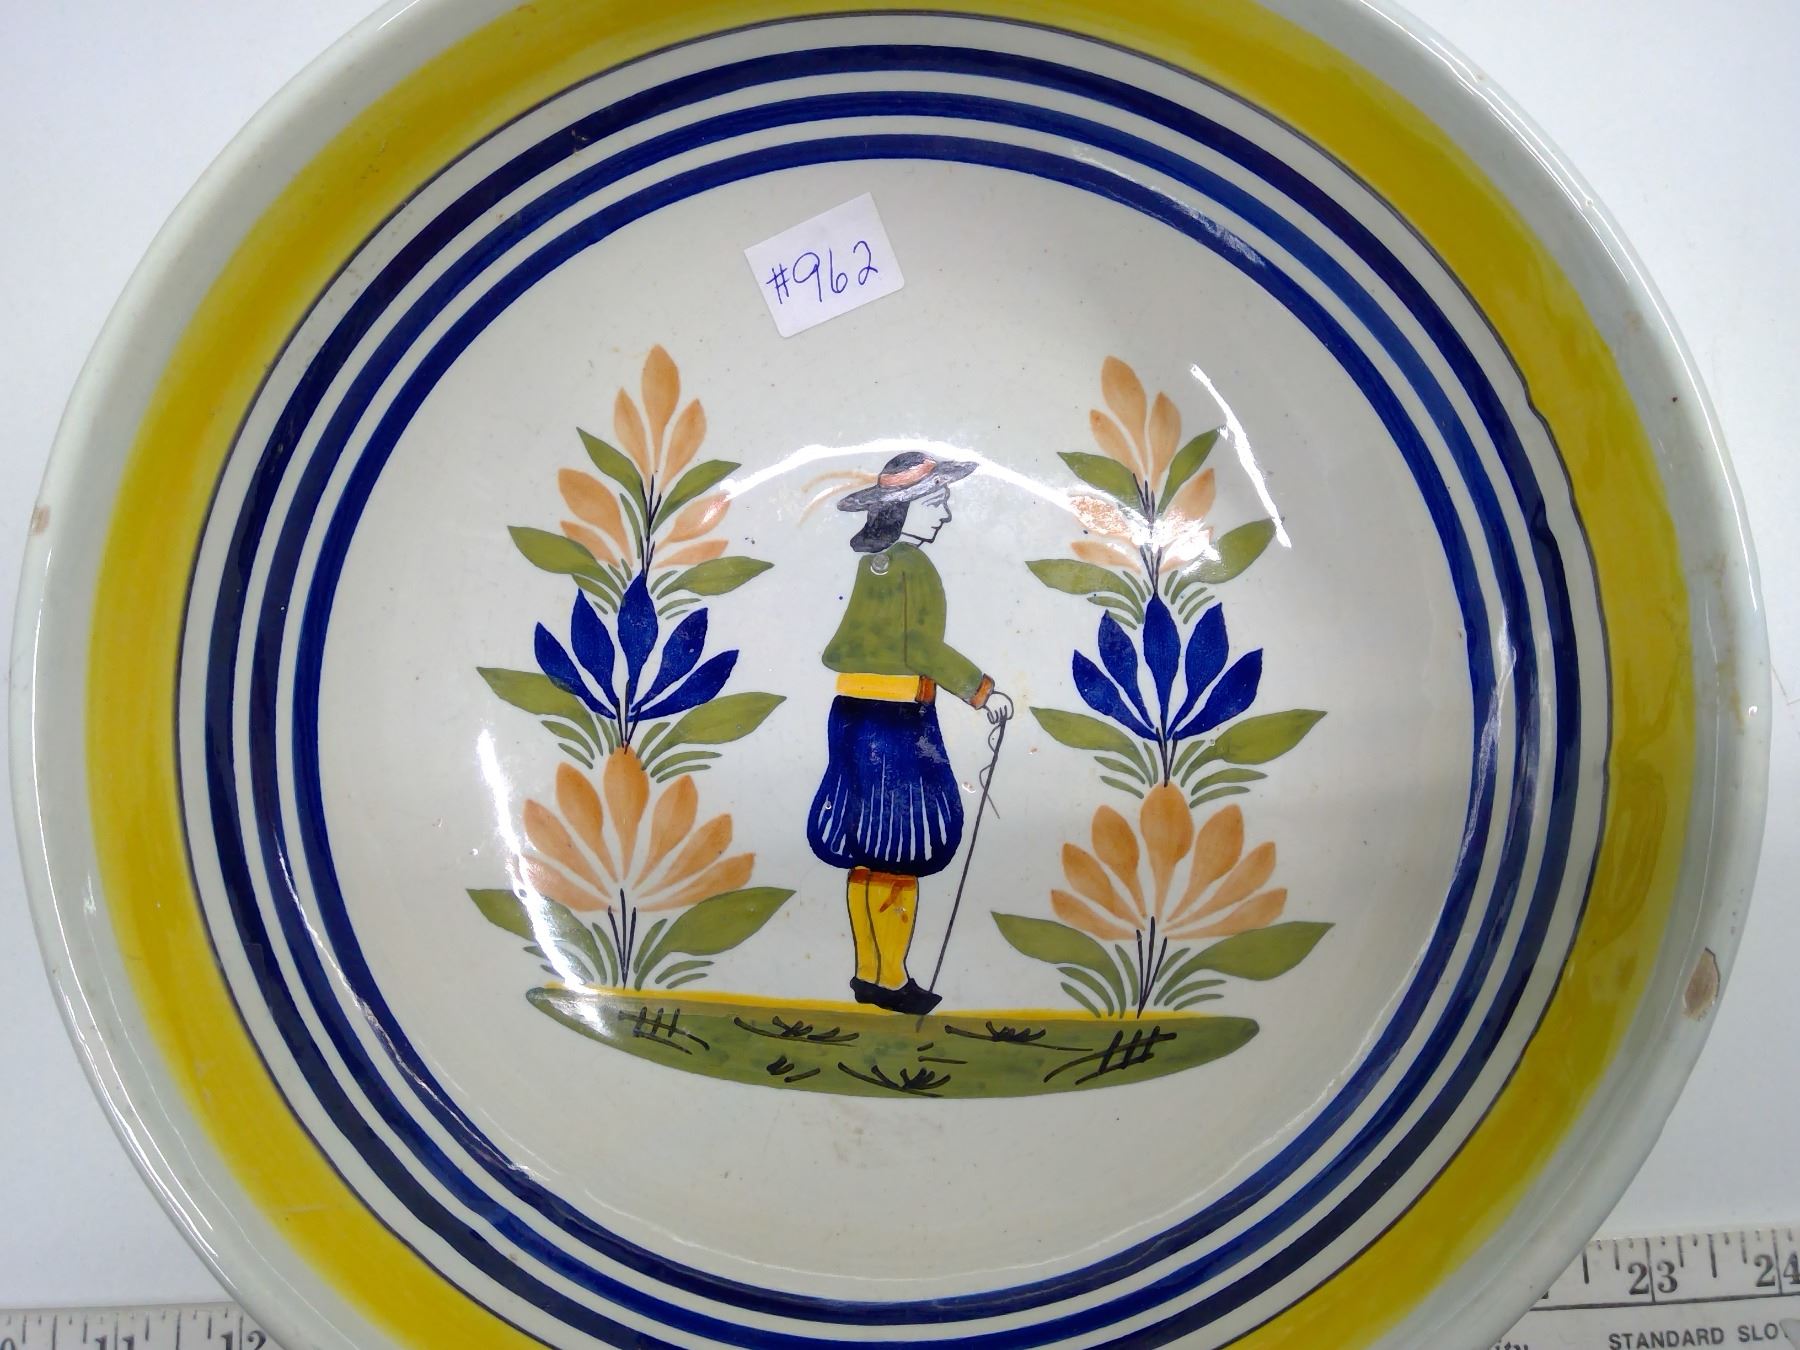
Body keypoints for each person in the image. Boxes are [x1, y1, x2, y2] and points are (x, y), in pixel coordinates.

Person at [806, 451, 1013, 1015]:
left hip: (852, 715)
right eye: (937, 501)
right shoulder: (912, 565)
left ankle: (869, 974)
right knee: (899, 851)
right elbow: (921, 647)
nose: (945, 513)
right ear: (904, 508)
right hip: (897, 722)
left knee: (868, 852)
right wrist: (980, 691)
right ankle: (894, 979)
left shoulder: (873, 564)